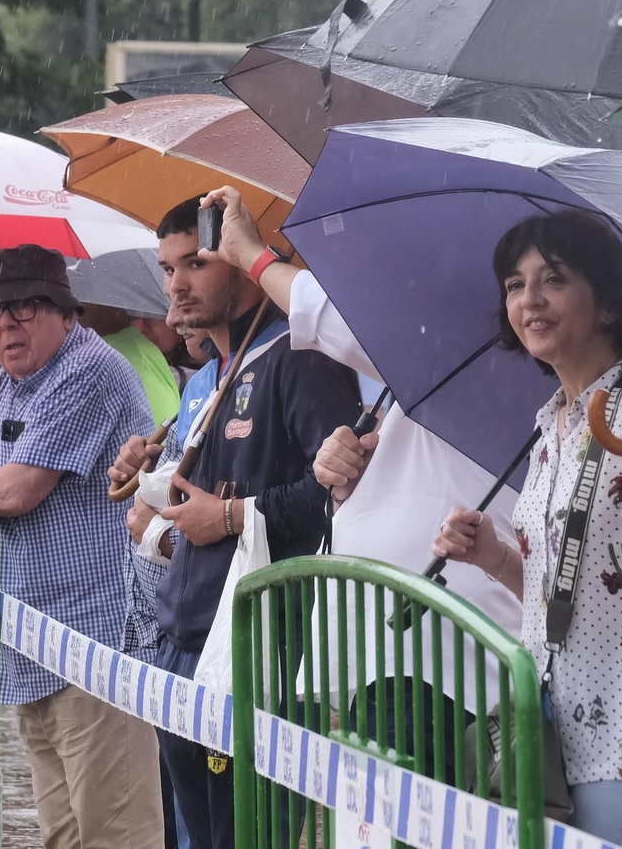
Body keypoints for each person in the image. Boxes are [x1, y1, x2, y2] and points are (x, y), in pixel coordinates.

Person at [197, 185, 562, 782]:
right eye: (516, 284)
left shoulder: (491, 358)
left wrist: (252, 258)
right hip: (389, 662)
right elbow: (410, 470)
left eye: (542, 283)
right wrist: (348, 475)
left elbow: (335, 321)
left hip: (446, 671)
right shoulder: (442, 365)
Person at [434, 210, 622, 849]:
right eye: (515, 285)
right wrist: (495, 558)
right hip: (554, 739)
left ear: (607, 306)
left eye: (554, 279)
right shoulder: (550, 428)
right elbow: (575, 601)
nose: (530, 299)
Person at [0, 245, 163, 849]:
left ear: (65, 312)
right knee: (64, 834)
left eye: (23, 310)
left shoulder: (89, 370)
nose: (5, 326)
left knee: (115, 834)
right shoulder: (14, 381)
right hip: (36, 640)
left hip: (94, 642)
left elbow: (18, 489)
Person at [110, 197, 358, 849]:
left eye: (197, 263)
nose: (176, 284)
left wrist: (229, 516)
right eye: (168, 268)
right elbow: (199, 498)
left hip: (262, 649)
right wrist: (154, 475)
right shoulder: (216, 372)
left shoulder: (301, 355)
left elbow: (337, 492)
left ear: (246, 260)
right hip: (185, 635)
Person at [80, 304, 180, 424]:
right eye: (134, 316)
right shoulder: (142, 350)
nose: (141, 325)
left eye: (151, 314)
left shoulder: (111, 357)